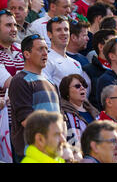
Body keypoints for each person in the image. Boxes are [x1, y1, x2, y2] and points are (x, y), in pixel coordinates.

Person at [9, 34, 61, 162]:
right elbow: (27, 121)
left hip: (52, 151)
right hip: (31, 153)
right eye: (40, 49)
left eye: (46, 49)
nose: (45, 53)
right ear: (26, 54)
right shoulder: (20, 80)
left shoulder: (50, 81)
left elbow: (60, 117)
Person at [41, 16, 90, 89]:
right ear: (49, 34)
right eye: (58, 30)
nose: (63, 33)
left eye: (66, 29)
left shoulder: (76, 63)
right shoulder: (45, 60)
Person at [59, 74, 99, 147]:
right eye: (77, 86)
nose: (82, 88)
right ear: (67, 91)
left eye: (84, 85)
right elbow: (69, 140)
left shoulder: (95, 112)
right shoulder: (63, 114)